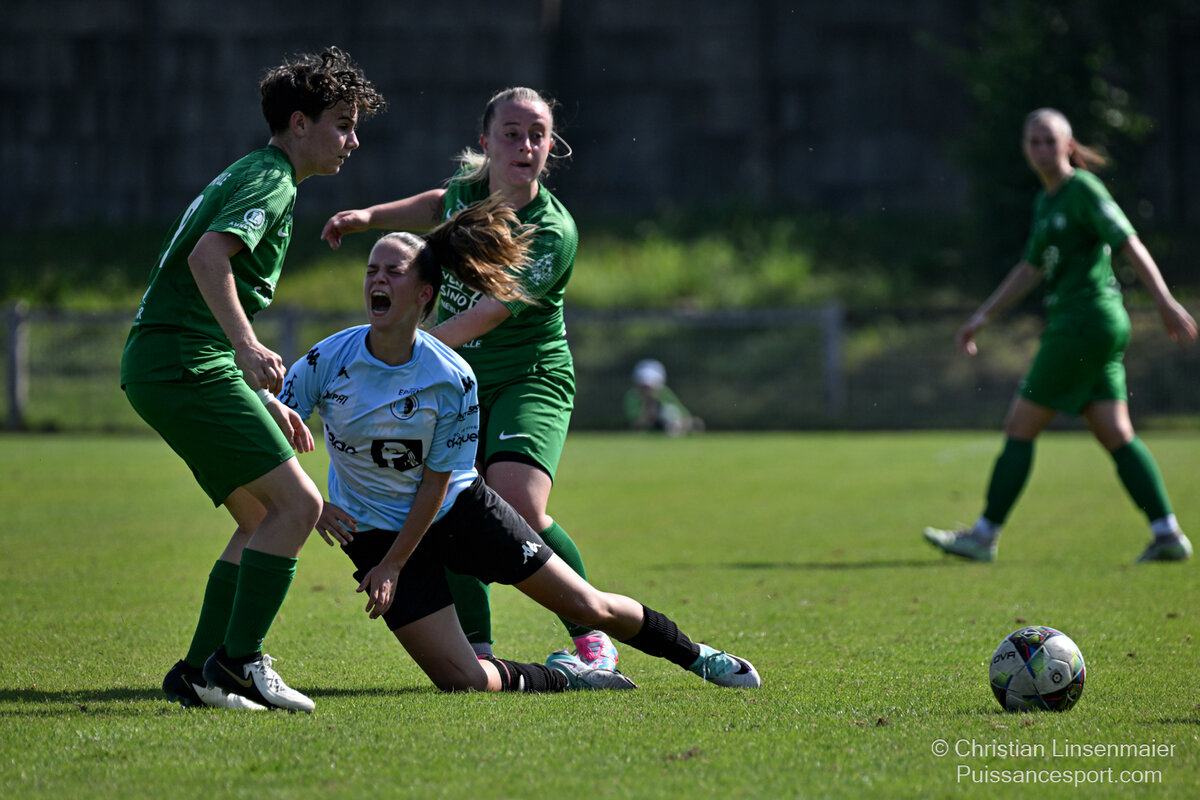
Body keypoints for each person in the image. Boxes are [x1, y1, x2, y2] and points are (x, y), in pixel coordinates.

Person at [280, 204, 761, 694]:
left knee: (587, 606)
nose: (377, 280)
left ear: (425, 293)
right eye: (371, 271)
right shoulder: (327, 358)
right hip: (373, 532)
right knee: (460, 679)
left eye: (393, 271)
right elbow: (270, 425)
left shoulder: (450, 376)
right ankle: (569, 677)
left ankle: (698, 657)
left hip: (457, 512)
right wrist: (313, 503)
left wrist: (394, 565)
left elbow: (436, 482)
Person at [120, 46, 386, 712]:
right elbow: (208, 258)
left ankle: (196, 673)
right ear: (299, 123)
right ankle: (237, 664)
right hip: (183, 361)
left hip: (172, 359)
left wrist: (263, 397)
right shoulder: (271, 179)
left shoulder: (258, 172)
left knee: (264, 515)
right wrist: (246, 348)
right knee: (297, 507)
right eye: (342, 125)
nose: (353, 141)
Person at [320, 87, 619, 669]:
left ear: (550, 147)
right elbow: (439, 204)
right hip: (460, 380)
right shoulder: (467, 193)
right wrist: (369, 218)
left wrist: (400, 356)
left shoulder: (551, 231)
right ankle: (478, 649)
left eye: (537, 135)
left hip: (529, 377)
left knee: (519, 504)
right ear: (486, 142)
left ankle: (592, 631)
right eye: (511, 133)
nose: (525, 145)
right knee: (447, 505)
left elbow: (485, 315)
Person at [924, 108, 1197, 564]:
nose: (1042, 149)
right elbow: (1029, 268)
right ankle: (1167, 533)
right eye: (1034, 142)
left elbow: (1128, 241)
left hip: (1081, 324)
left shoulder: (1082, 190)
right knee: (1116, 432)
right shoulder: (1046, 202)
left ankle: (984, 535)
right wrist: (984, 315)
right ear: (1024, 149)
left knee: (1019, 427)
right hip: (1096, 327)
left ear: (1069, 145)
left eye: (1050, 140)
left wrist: (1164, 301)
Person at [624, 358, 704, 435]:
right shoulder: (633, 396)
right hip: (650, 431)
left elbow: (684, 416)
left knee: (668, 410)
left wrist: (679, 424)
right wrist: (648, 407)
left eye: (649, 387)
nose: (647, 390)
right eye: (644, 387)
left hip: (670, 428)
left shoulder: (664, 394)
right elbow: (636, 426)